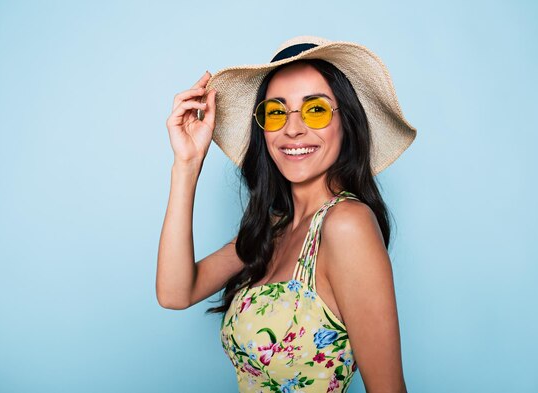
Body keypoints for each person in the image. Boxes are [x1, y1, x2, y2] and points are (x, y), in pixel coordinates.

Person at [157, 36, 417, 392]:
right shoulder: (274, 227)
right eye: (277, 112)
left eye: (315, 109)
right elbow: (175, 293)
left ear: (346, 122)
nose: (293, 128)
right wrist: (186, 164)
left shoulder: (346, 225)